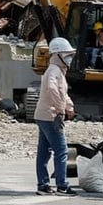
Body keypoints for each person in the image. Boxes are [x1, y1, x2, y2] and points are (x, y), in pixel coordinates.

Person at [34, 37, 77, 196]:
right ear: (57, 55)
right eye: (67, 55)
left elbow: (62, 93)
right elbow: (53, 90)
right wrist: (61, 110)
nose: (69, 58)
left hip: (44, 115)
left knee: (44, 152)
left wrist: (69, 106)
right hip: (50, 116)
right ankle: (62, 186)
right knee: (61, 150)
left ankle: (43, 185)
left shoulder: (57, 70)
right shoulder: (54, 70)